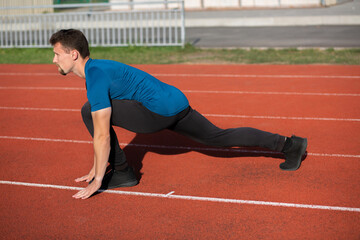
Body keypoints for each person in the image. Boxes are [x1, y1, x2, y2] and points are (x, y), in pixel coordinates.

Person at [50, 29, 307, 200]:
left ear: (73, 54)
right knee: (219, 137)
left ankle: (123, 173)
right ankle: (289, 145)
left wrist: (97, 180)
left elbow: (103, 135)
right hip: (176, 101)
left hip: (158, 111)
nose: (54, 60)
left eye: (57, 54)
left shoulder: (95, 77)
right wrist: (95, 166)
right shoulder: (101, 68)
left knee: (89, 111)